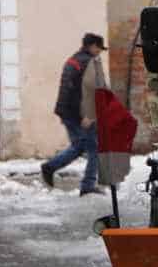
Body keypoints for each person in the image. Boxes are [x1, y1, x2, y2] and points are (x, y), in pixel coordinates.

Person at [40, 33, 109, 195]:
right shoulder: (89, 63)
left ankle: (51, 167)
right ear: (92, 46)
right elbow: (93, 91)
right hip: (80, 113)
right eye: (99, 48)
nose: (100, 52)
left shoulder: (74, 60)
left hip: (67, 111)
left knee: (79, 146)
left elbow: (72, 89)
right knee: (95, 148)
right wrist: (89, 115)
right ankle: (88, 186)